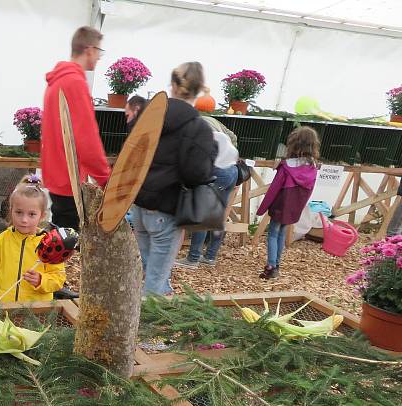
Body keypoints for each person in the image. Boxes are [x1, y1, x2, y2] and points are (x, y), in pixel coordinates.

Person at [127, 62, 216, 295]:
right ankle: (143, 328)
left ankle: (133, 320)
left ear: (173, 84)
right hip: (165, 211)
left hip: (138, 206)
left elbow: (131, 152)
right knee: (156, 280)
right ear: (198, 90)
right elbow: (196, 174)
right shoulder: (198, 128)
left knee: (144, 271)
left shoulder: (147, 114)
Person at [41, 26, 111, 299]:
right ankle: (51, 285)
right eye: (99, 51)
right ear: (90, 49)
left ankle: (51, 283)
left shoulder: (58, 80)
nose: (99, 58)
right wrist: (105, 177)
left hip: (57, 169)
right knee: (65, 236)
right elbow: (86, 135)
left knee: (61, 230)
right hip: (68, 173)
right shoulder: (74, 81)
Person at [0, 175, 66, 303]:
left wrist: (41, 280)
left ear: (42, 215)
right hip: (3, 308)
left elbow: (58, 278)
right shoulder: (0, 241)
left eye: (32, 214)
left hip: (37, 312)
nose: (24, 220)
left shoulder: (50, 244)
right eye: (19, 212)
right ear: (11, 210)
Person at [256, 126, 320, 279]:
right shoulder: (313, 167)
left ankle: (271, 266)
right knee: (282, 233)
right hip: (295, 204)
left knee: (273, 233)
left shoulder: (286, 166)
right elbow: (309, 190)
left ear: (294, 144)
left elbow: (274, 189)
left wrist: (262, 208)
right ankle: (277, 264)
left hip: (281, 203)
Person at [175, 117, 240, 268]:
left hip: (217, 170)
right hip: (232, 170)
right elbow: (233, 137)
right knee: (218, 214)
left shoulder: (191, 129)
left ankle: (193, 258)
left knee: (202, 215)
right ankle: (210, 256)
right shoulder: (209, 121)